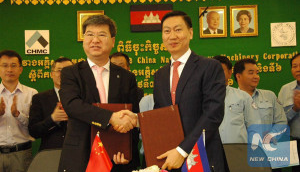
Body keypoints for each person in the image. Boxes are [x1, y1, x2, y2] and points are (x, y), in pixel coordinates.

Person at [58, 15, 140, 172]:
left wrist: (127, 150)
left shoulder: (126, 77)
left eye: (102, 34)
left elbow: (132, 116)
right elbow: (72, 105)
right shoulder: (71, 73)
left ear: (113, 40)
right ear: (84, 40)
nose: (95, 40)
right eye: (89, 34)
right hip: (81, 157)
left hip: (117, 156)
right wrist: (110, 117)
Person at [153, 11, 227, 171]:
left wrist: (182, 150)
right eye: (167, 31)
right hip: (170, 159)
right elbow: (160, 115)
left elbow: (213, 113)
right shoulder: (159, 75)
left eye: (178, 29)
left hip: (203, 157)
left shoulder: (210, 67)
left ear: (191, 33)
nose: (172, 36)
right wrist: (136, 121)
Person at [0, 50, 38, 172]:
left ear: (20, 69)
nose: (9, 70)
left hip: (21, 153)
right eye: (5, 66)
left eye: (13, 65)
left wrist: (18, 115)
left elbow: (34, 127)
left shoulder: (32, 93)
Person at [28, 57, 73, 151]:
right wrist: (52, 119)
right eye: (59, 70)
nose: (63, 74)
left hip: (78, 152)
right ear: (52, 74)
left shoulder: (84, 97)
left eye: (68, 70)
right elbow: (33, 131)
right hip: (50, 153)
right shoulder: (40, 98)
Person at [213, 56, 255, 143]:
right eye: (213, 70)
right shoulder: (202, 98)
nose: (216, 74)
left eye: (220, 70)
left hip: (238, 151)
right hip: (211, 152)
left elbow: (253, 127)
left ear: (229, 72)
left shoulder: (243, 97)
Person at [278, 53, 300, 172]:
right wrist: (295, 109)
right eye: (294, 66)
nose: (298, 69)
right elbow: (280, 121)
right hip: (296, 143)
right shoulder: (285, 89)